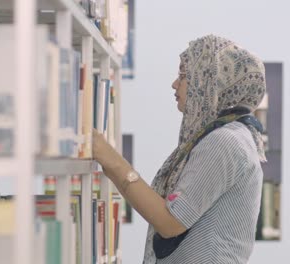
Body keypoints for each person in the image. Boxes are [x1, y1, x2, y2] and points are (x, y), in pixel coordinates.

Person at [93, 34, 267, 264]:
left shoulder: (224, 142)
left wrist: (111, 160)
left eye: (184, 76)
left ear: (210, 82)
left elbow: (170, 222)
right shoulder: (229, 137)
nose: (175, 84)